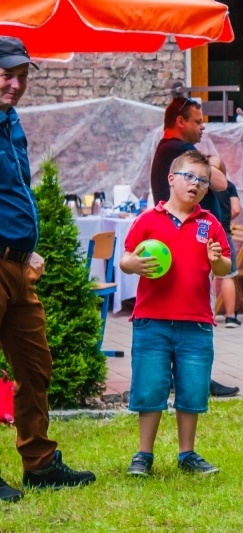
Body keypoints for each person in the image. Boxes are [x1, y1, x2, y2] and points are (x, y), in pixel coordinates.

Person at [0, 36, 96, 503]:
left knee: (36, 365)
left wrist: (25, 246)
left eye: (21, 76)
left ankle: (39, 463)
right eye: (7, 74)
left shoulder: (9, 122)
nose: (15, 84)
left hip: (18, 268)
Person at [120, 151, 231, 477]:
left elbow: (225, 265)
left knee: (192, 389)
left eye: (202, 181)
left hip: (195, 323)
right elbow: (126, 257)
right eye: (188, 176)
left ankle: (187, 453)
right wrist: (133, 264)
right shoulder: (148, 220)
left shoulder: (209, 224)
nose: (195, 185)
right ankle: (144, 454)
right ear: (171, 179)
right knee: (150, 387)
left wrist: (216, 260)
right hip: (152, 321)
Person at [150, 96, 240, 397]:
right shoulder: (181, 149)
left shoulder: (167, 150)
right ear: (180, 122)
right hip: (191, 237)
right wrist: (212, 164)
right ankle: (196, 377)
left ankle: (188, 376)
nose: (203, 127)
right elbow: (219, 182)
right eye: (198, 121)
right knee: (195, 310)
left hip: (182, 235)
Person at [213, 165, 242, 328]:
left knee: (207, 273)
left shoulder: (201, 184)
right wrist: (224, 217)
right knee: (227, 275)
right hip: (223, 231)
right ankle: (230, 317)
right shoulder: (229, 186)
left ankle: (208, 315)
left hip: (202, 232)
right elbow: (236, 209)